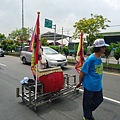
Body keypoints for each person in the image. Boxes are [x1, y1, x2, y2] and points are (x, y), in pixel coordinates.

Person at [76, 39, 109, 120]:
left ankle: (88, 111)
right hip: (89, 85)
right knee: (87, 102)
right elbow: (82, 72)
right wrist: (79, 82)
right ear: (100, 48)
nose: (105, 48)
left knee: (99, 99)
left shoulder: (99, 57)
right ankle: (87, 116)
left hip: (98, 85)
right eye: (104, 47)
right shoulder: (91, 59)